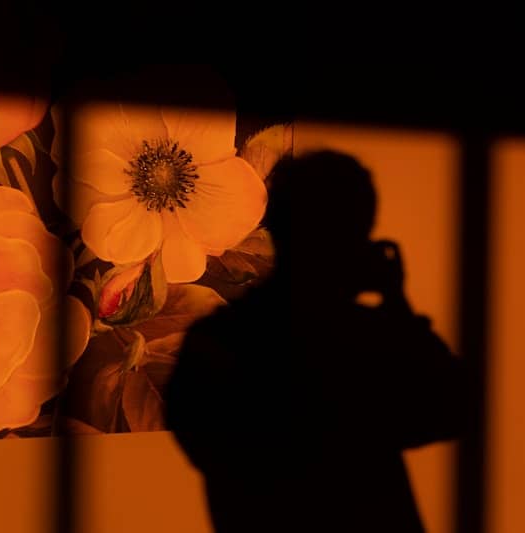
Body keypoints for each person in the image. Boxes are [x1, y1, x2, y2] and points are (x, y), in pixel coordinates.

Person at [165, 150, 465, 532]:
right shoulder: (367, 340)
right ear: (360, 234)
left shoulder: (220, 339)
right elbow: (453, 409)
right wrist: (396, 302)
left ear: (275, 225)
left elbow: (207, 446)